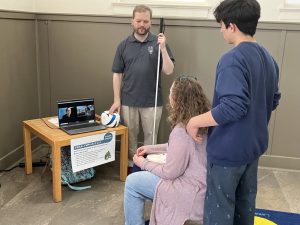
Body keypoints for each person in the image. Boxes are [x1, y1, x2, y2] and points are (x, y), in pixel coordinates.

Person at [186, 1, 281, 225]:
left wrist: (194, 121)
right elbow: (273, 99)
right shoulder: (270, 60)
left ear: (232, 26)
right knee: (244, 209)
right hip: (253, 149)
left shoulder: (232, 59)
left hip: (228, 153)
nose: (220, 30)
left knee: (219, 212)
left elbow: (232, 107)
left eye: (221, 25)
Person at [124, 76, 210, 225]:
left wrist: (142, 162)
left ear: (176, 99)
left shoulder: (181, 130)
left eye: (170, 93)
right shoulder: (202, 122)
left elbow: (169, 173)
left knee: (132, 182)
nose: (169, 96)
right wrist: (151, 148)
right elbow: (179, 147)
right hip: (203, 187)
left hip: (188, 194)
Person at [109, 5, 175, 168]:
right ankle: (133, 165)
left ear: (150, 22)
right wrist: (117, 100)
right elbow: (117, 74)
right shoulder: (123, 45)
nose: (142, 24)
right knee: (130, 136)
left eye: (145, 21)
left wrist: (163, 48)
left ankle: (148, 166)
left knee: (150, 138)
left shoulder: (159, 43)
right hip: (128, 100)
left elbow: (168, 70)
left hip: (152, 101)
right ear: (132, 21)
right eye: (138, 21)